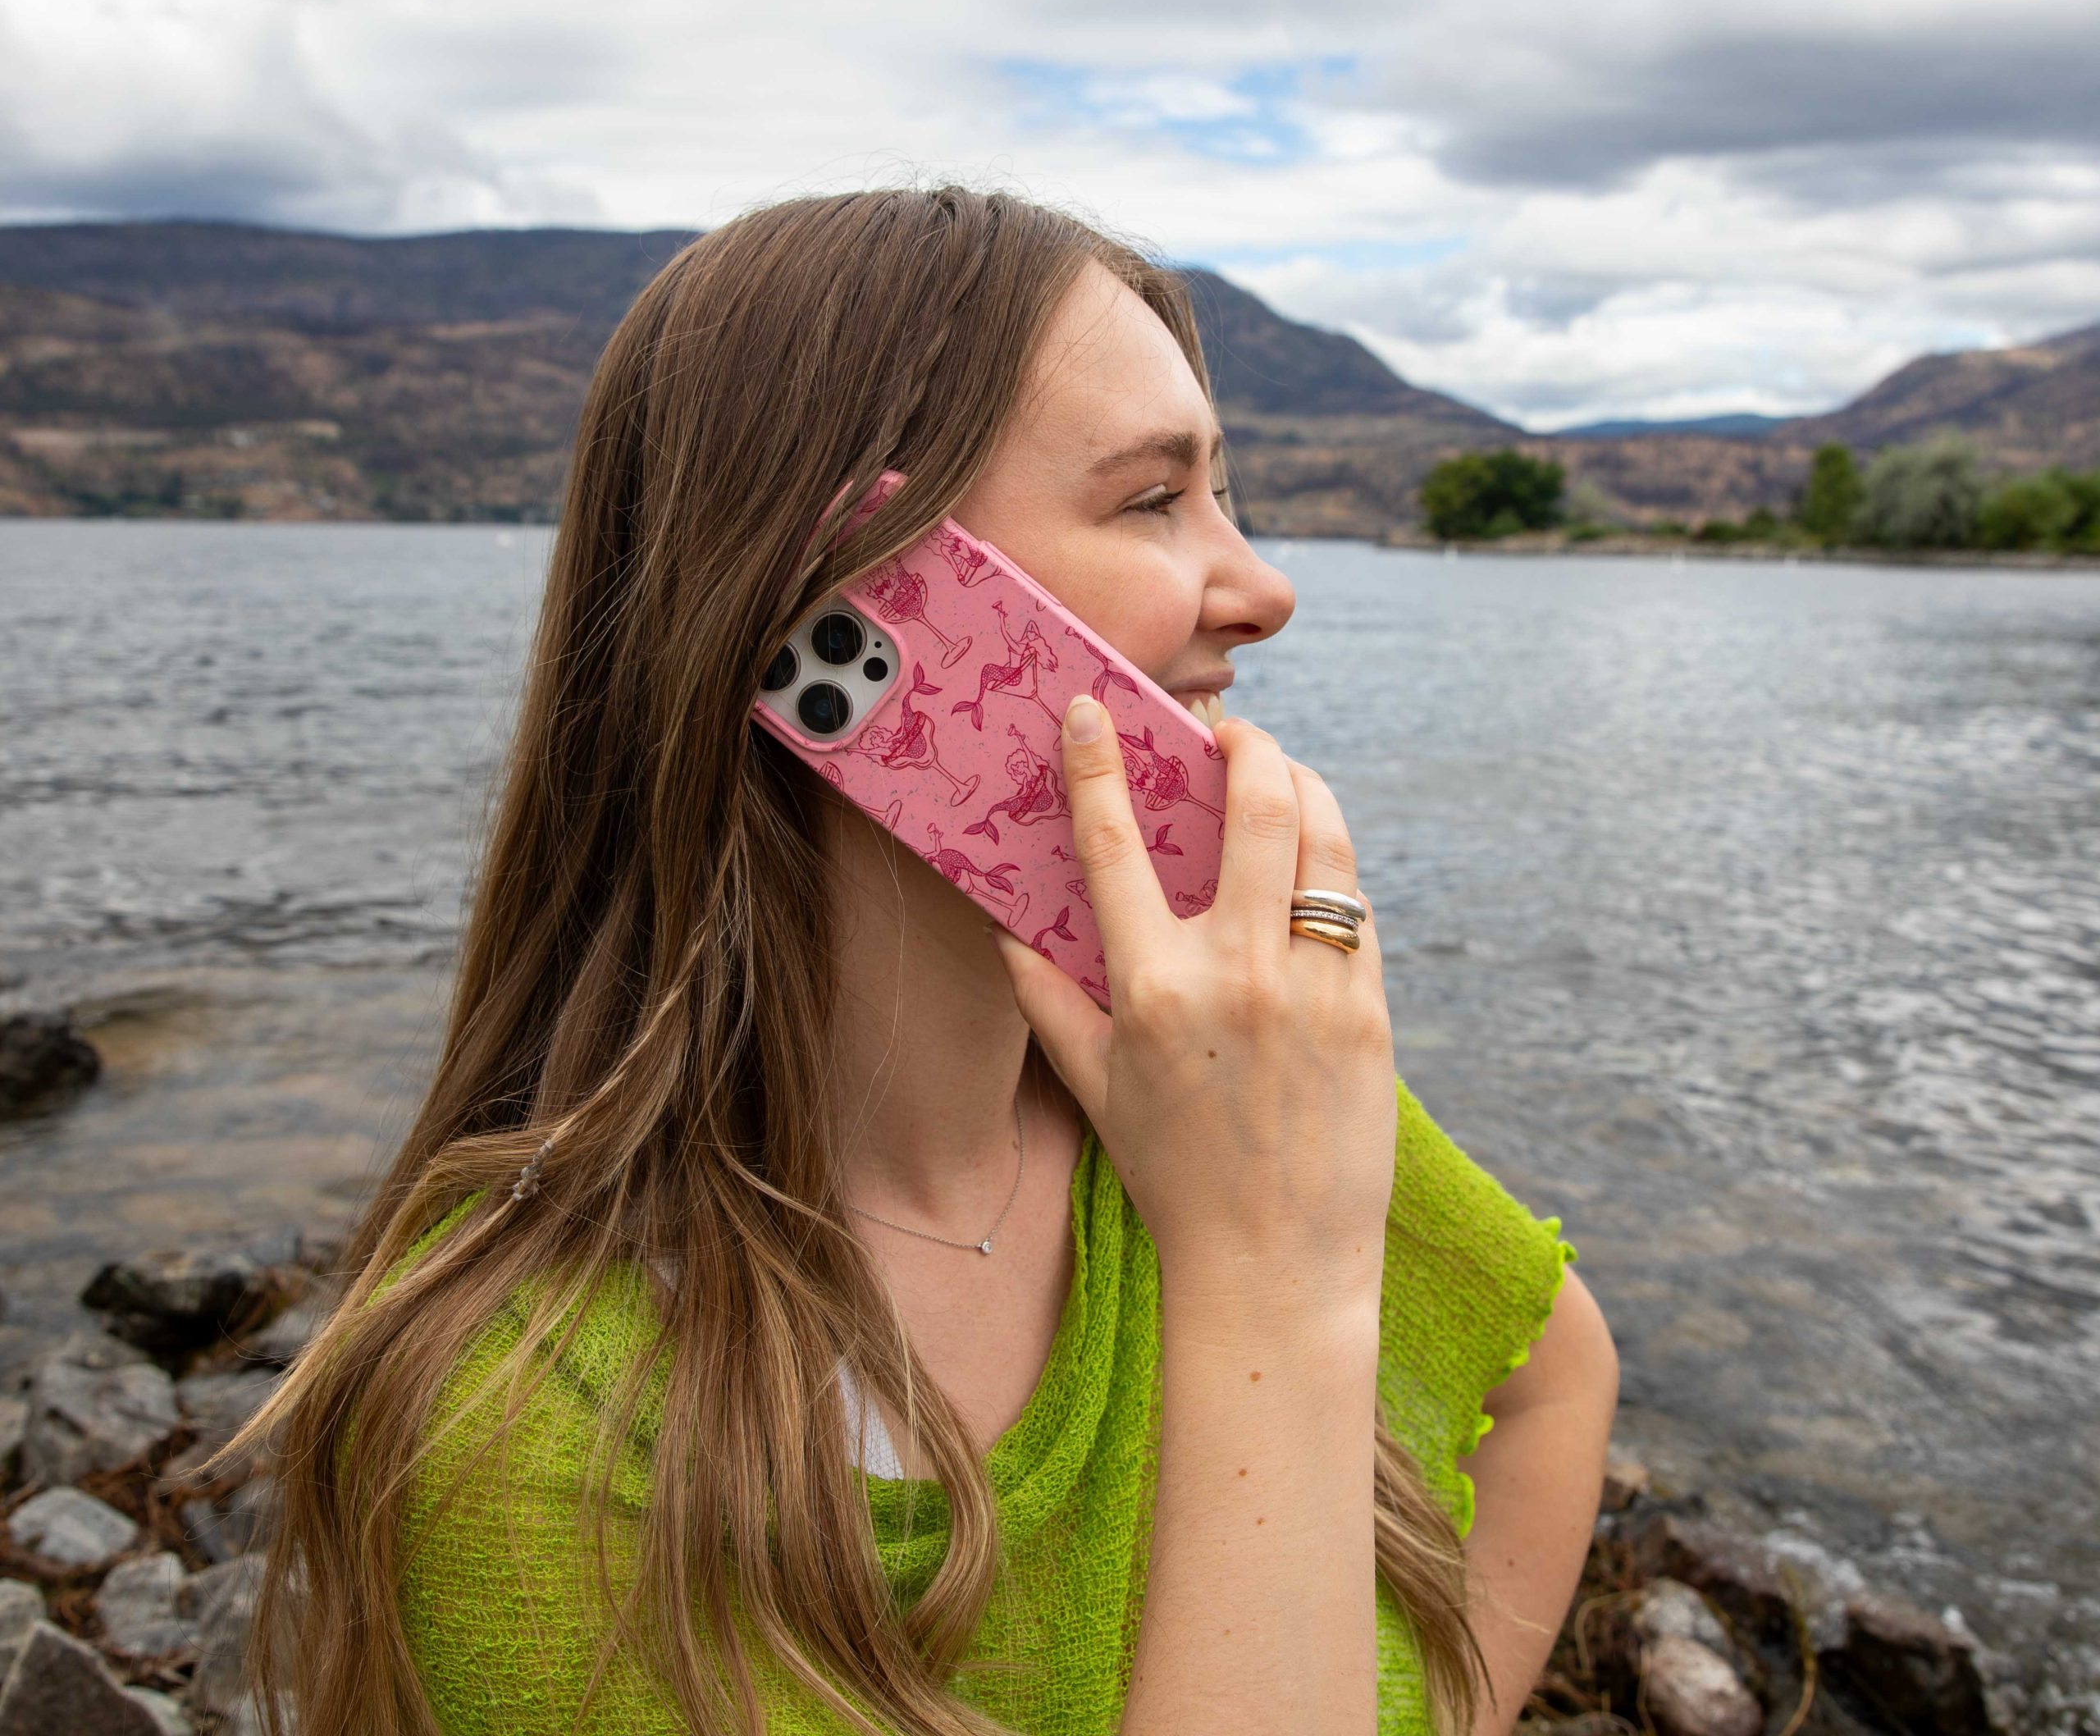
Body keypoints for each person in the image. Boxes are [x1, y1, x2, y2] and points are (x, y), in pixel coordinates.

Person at [235, 186, 1619, 1736]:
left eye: (1223, 496)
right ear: (857, 597)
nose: (1264, 591)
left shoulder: (1210, 1099)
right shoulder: (532, 1419)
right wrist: (1275, 1290)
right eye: (1154, 500)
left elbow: (1551, 1384)